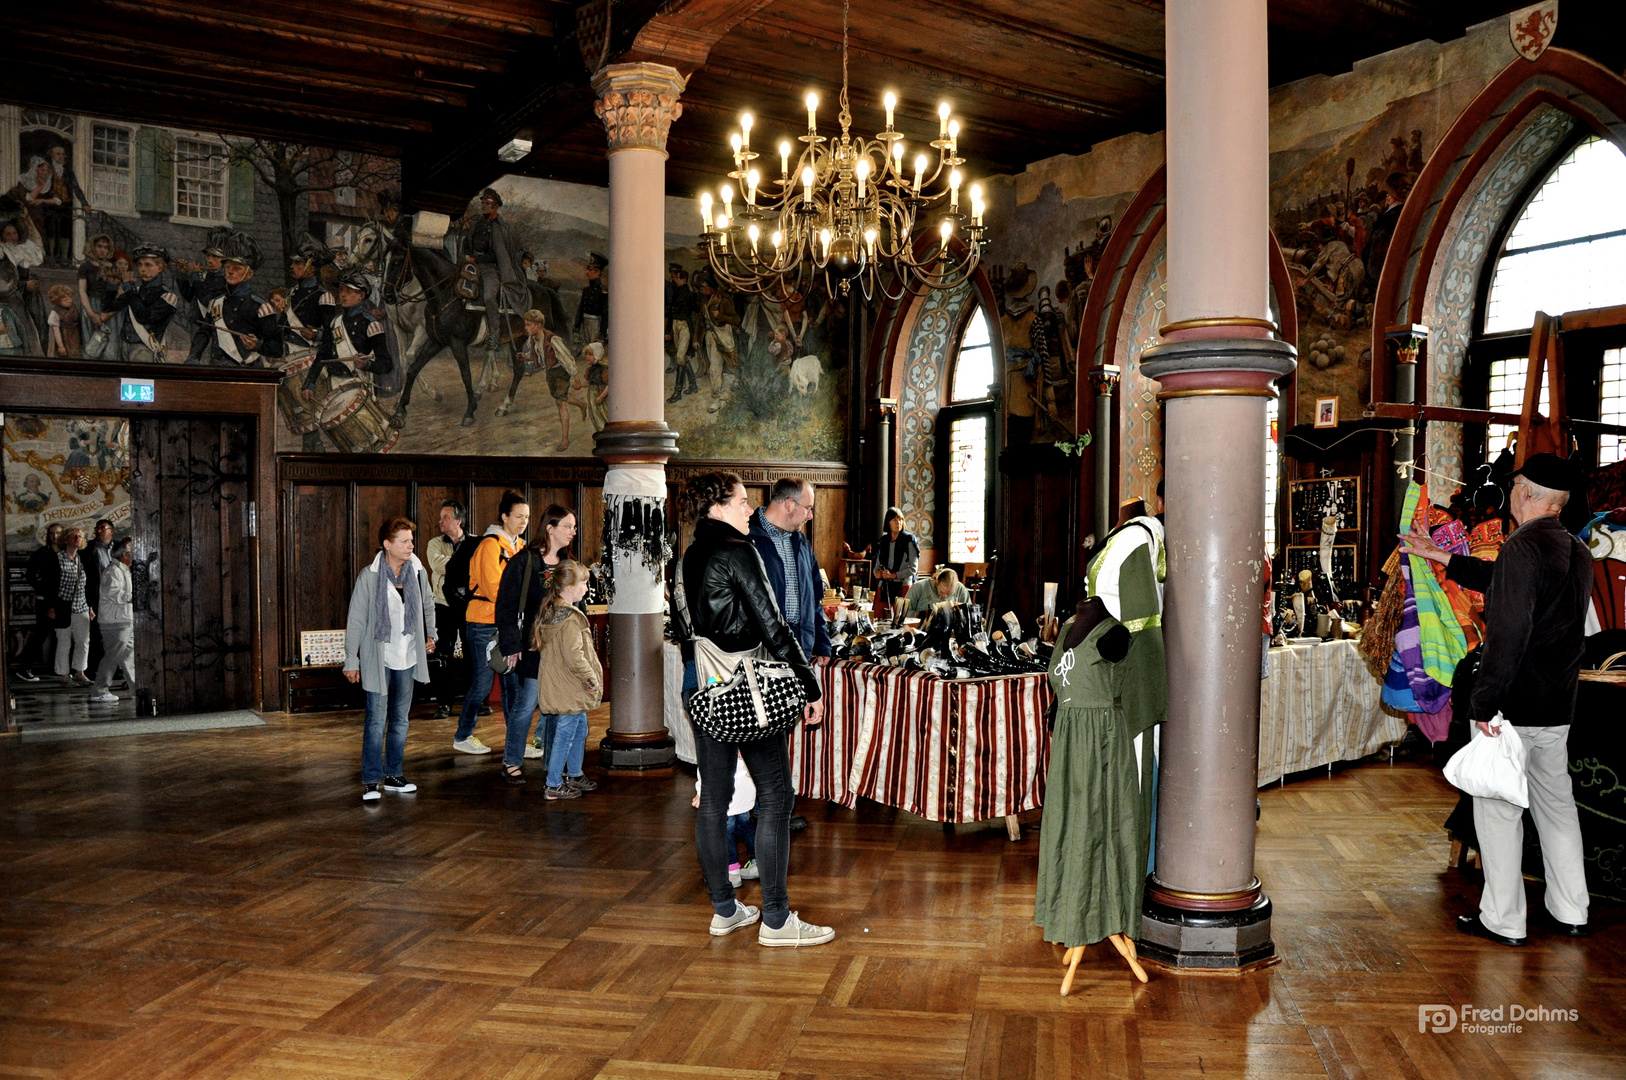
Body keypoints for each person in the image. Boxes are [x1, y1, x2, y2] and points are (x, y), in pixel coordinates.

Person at [1400, 453, 1595, 944]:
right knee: (1557, 808)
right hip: (1556, 706)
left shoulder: (1521, 549)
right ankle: (1572, 910)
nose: (1509, 493)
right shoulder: (1576, 551)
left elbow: (1509, 630)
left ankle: (1504, 920)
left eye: (1514, 486)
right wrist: (1442, 557)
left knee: (1498, 811)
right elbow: (1508, 588)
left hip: (1510, 709)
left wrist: (1484, 703)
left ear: (1527, 493)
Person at [676, 471, 832, 946]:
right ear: (718, 506)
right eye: (742, 501)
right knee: (777, 796)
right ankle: (778, 921)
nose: (750, 509)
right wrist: (810, 686)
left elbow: (686, 628)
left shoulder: (691, 554)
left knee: (714, 800)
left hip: (709, 688)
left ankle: (725, 910)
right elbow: (774, 628)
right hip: (751, 690)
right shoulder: (737, 550)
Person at [344, 518, 437, 803]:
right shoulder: (369, 576)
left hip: (408, 655)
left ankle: (394, 774)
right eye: (405, 541)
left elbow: (428, 604)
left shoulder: (417, 571)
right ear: (388, 544)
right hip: (379, 657)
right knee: (375, 720)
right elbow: (356, 619)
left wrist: (431, 634)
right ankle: (372, 780)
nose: (411, 546)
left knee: (400, 720)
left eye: (411, 540)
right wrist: (351, 659)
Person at [494, 504, 577, 783]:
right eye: (567, 526)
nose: (572, 532)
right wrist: (511, 645)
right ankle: (511, 761)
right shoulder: (525, 561)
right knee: (526, 705)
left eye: (574, 527)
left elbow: (580, 606)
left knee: (555, 707)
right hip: (531, 646)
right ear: (550, 528)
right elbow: (505, 605)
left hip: (561, 650)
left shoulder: (570, 564)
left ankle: (552, 764)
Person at [454, 491, 529, 754]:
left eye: (527, 517)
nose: (523, 522)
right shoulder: (490, 546)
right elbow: (494, 588)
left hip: (508, 623)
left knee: (512, 684)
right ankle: (463, 735)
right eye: (518, 516)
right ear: (504, 516)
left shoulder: (520, 546)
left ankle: (515, 741)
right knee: (483, 684)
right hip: (483, 622)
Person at [531, 560, 602, 799]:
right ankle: (553, 783)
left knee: (580, 728)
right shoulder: (570, 619)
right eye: (584, 583)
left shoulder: (552, 611)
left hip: (563, 684)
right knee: (566, 732)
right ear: (569, 586)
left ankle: (574, 773)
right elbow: (575, 657)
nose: (586, 588)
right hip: (570, 684)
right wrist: (590, 678)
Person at [748, 478, 831, 661]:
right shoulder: (748, 539)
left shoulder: (801, 543)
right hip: (763, 651)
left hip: (801, 647)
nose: (810, 516)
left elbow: (814, 598)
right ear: (789, 504)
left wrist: (822, 643)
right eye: (808, 508)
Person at [425, 500, 477, 719]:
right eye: (440, 517)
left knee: (472, 655)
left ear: (458, 520)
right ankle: (444, 703)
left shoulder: (475, 542)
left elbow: (480, 568)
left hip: (470, 606)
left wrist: (457, 566)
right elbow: (438, 565)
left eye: (445, 517)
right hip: (442, 605)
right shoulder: (434, 543)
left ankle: (475, 702)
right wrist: (465, 564)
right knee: (441, 655)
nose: (440, 521)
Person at [103, 243, 180, 363]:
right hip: (123, 345)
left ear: (160, 268)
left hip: (144, 349)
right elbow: (107, 307)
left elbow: (144, 317)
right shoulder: (136, 291)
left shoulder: (168, 296)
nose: (142, 269)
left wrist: (128, 288)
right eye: (139, 265)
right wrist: (111, 286)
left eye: (148, 265)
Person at [88, 538, 136, 703]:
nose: (134, 556)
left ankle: (136, 689)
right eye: (131, 553)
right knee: (112, 656)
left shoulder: (124, 570)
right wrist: (135, 597)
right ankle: (99, 689)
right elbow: (113, 594)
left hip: (125, 620)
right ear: (124, 555)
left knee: (129, 656)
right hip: (114, 622)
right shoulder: (113, 571)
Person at [16, 523, 63, 683]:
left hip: (61, 600)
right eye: (52, 533)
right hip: (46, 600)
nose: (55, 536)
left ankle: (55, 669)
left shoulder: (63, 553)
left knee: (59, 635)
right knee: (41, 634)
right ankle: (24, 667)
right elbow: (32, 575)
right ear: (48, 535)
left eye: (58, 533)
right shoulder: (42, 553)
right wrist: (44, 591)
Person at [54, 526, 94, 687]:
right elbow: (51, 584)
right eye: (73, 536)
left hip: (81, 605)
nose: (77, 538)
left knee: (83, 641)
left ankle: (80, 672)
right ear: (65, 539)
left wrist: (90, 606)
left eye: (79, 536)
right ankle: (64, 676)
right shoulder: (57, 558)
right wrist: (52, 606)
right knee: (64, 642)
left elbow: (89, 584)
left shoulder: (83, 558)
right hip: (63, 606)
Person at [872, 507, 920, 612]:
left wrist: (893, 575)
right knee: (880, 618)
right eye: (894, 519)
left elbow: (913, 569)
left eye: (900, 519)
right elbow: (876, 566)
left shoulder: (909, 540)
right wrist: (877, 573)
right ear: (888, 522)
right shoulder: (883, 541)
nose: (898, 522)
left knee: (900, 618)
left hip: (903, 586)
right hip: (885, 586)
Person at [902, 566, 971, 619]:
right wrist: (922, 615)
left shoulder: (961, 589)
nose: (945, 596)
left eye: (949, 594)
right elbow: (904, 612)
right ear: (937, 582)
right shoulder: (919, 587)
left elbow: (969, 612)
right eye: (942, 592)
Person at [575, 251, 608, 346]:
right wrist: (576, 327)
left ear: (598, 273)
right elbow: (580, 310)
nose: (587, 272)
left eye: (590, 270)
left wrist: (602, 333)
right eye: (588, 269)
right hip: (585, 325)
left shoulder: (603, 292)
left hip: (596, 325)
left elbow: (605, 315)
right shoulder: (586, 291)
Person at [46, 284, 81, 357]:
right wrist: (61, 347)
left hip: (75, 337)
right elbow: (56, 332)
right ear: (58, 301)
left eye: (70, 297)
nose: (70, 301)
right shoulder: (55, 313)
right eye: (65, 300)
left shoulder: (73, 308)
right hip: (64, 338)